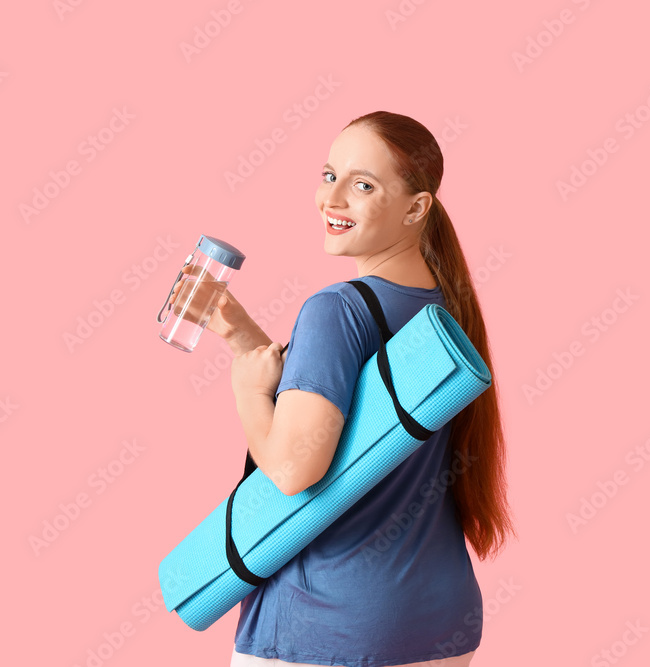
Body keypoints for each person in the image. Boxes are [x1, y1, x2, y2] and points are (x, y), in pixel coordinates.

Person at [173, 111, 516, 666]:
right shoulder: (446, 311)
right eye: (329, 175)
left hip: (323, 626)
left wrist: (246, 390)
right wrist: (242, 335)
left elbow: (293, 469)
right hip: (437, 623)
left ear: (415, 208)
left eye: (363, 185)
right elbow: (367, 421)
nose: (331, 200)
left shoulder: (336, 309)